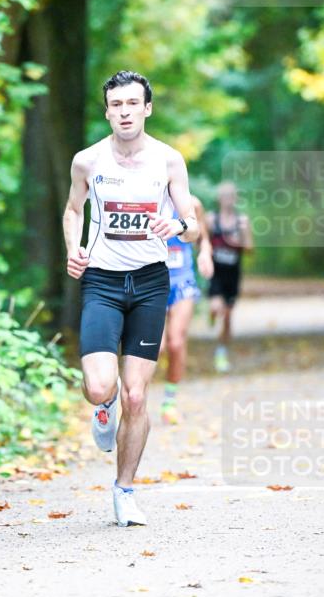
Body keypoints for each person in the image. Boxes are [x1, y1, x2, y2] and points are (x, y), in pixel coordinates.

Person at [62, 70, 200, 527]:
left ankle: (124, 492)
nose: (124, 112)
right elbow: (72, 210)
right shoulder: (87, 161)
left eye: (132, 104)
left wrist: (177, 227)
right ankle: (102, 408)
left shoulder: (168, 160)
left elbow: (192, 221)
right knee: (103, 386)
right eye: (116, 104)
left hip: (149, 283)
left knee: (137, 396)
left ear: (147, 108)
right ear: (107, 110)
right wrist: (73, 249)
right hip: (101, 280)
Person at [159, 196, 214, 424]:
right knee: (157, 348)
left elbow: (203, 238)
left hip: (182, 280)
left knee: (176, 342)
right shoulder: (145, 198)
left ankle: (169, 402)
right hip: (153, 281)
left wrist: (205, 254)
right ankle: (133, 397)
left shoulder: (192, 204)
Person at [206, 181, 253, 373]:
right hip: (215, 273)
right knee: (217, 308)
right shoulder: (211, 219)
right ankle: (212, 312)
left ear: (235, 199)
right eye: (224, 196)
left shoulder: (242, 221)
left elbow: (250, 248)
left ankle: (221, 351)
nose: (228, 200)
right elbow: (202, 244)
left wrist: (239, 241)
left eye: (231, 196)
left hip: (232, 275)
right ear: (219, 199)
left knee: (227, 317)